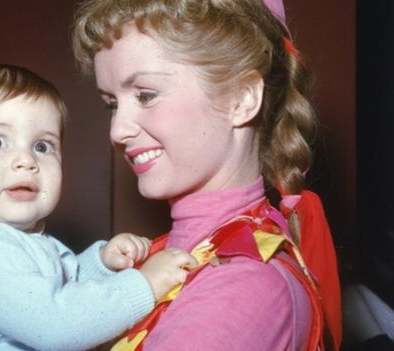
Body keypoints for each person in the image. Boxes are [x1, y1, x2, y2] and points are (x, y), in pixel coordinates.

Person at [72, 0, 342, 350]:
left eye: (146, 95)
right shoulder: (174, 254)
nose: (117, 130)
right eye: (112, 104)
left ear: (242, 99)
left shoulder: (243, 286)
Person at [0, 63, 196, 351]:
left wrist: (100, 265)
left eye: (42, 146)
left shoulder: (17, 238)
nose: (27, 161)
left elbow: (53, 294)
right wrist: (143, 286)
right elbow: (56, 325)